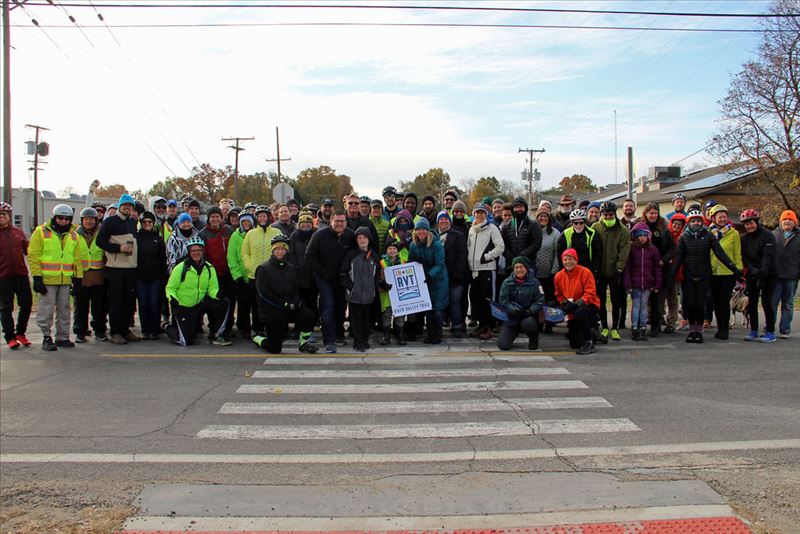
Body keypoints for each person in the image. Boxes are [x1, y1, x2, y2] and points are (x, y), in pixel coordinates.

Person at [671, 209, 740, 343]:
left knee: (700, 304)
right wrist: (672, 273)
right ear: (689, 223)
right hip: (689, 276)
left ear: (702, 222)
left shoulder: (709, 236)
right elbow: (679, 257)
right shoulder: (684, 237)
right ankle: (692, 330)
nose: (696, 223)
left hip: (704, 276)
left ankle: (699, 330)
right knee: (690, 304)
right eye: (693, 221)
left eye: (698, 221)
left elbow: (720, 253)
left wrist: (733, 267)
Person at [28, 204, 84, 351]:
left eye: (67, 219)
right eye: (60, 218)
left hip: (65, 279)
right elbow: (33, 255)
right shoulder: (41, 232)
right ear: (54, 217)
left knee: (64, 309)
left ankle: (62, 337)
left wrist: (78, 278)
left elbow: (77, 258)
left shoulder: (73, 235)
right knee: (46, 309)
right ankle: (46, 336)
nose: (63, 221)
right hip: (47, 280)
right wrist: (36, 277)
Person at [252, 235, 318, 354]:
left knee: (308, 315)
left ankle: (304, 343)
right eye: (277, 249)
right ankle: (257, 338)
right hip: (272, 311)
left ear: (286, 250)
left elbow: (296, 289)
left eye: (283, 249)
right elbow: (263, 293)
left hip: (289, 308)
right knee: (275, 349)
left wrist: (295, 302)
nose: (280, 252)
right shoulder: (263, 268)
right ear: (272, 251)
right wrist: (284, 304)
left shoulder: (291, 268)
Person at [164, 237, 231, 346]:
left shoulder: (209, 268)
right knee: (185, 341)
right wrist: (172, 298)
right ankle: (166, 326)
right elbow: (170, 288)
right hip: (184, 307)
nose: (196, 253)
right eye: (193, 251)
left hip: (200, 303)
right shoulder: (180, 268)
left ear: (203, 251)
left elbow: (212, 289)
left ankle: (217, 334)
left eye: (199, 250)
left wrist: (218, 294)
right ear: (189, 252)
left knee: (224, 302)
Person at [306, 210, 355, 353]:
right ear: (331, 221)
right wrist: (322, 272)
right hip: (324, 278)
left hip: (342, 278)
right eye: (337, 221)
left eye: (342, 221)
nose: (339, 224)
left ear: (346, 223)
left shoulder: (350, 236)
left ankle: (339, 334)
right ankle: (329, 341)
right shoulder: (319, 235)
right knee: (327, 306)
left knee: (341, 307)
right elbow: (309, 256)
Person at [96, 194, 140, 345]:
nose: (127, 208)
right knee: (116, 301)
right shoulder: (110, 221)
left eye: (130, 206)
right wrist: (118, 248)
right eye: (125, 205)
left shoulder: (133, 222)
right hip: (115, 268)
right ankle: (115, 332)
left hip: (131, 268)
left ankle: (125, 330)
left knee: (128, 302)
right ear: (120, 206)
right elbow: (100, 241)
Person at [592, 201, 629, 341]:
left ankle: (615, 328)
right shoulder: (595, 227)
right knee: (600, 300)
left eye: (610, 215)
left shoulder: (623, 230)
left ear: (615, 214)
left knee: (616, 300)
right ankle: (604, 327)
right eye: (605, 215)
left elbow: (624, 250)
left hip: (615, 271)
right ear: (601, 215)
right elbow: (593, 249)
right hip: (600, 271)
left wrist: (619, 267)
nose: (608, 217)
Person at [467, 202, 505, 340]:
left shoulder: (492, 228)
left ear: (486, 214)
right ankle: (481, 325)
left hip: (487, 269)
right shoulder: (471, 230)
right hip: (474, 270)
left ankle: (489, 326)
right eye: (477, 212)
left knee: (487, 299)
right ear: (474, 214)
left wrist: (487, 257)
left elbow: (500, 247)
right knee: (476, 299)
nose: (479, 215)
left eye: (482, 212)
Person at [339, 227, 381, 351]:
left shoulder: (373, 256)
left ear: (369, 239)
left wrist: (376, 287)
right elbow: (344, 272)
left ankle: (365, 340)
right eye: (359, 238)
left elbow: (377, 275)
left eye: (365, 237)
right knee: (355, 320)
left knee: (366, 320)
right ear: (356, 240)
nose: (362, 240)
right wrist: (350, 287)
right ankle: (358, 342)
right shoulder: (351, 254)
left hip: (369, 294)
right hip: (354, 294)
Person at [242, 205, 281, 335]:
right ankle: (257, 328)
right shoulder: (250, 234)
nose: (262, 218)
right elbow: (245, 253)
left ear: (268, 217)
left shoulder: (276, 232)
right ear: (256, 218)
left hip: (272, 274)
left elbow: (282, 251)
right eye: (259, 216)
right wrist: (250, 266)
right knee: (256, 303)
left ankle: (272, 326)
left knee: (272, 301)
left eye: (264, 216)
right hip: (255, 275)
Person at [409, 218, 449, 344]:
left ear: (428, 230)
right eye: (418, 229)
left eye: (423, 229)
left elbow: (440, 263)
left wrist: (430, 275)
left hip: (438, 280)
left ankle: (437, 334)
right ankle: (430, 333)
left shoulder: (436, 244)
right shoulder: (413, 245)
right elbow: (411, 262)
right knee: (428, 309)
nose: (421, 232)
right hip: (423, 280)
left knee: (437, 309)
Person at [740, 209, 778, 343]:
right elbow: (744, 256)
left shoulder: (768, 236)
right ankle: (753, 330)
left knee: (767, 302)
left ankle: (770, 331)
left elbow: (768, 258)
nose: (749, 226)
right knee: (752, 302)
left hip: (769, 273)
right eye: (746, 224)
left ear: (756, 222)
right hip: (752, 273)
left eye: (751, 223)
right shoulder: (744, 238)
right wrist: (752, 270)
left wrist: (762, 275)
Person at [555, 248, 601, 355]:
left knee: (580, 312)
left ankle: (590, 342)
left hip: (589, 304)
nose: (568, 262)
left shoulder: (585, 272)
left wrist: (577, 303)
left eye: (571, 259)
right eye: (565, 259)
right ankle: (593, 333)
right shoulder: (558, 276)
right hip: (572, 308)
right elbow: (559, 295)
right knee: (575, 343)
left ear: (576, 260)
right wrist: (564, 304)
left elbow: (590, 293)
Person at [0, 202, 33, 350]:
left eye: (4, 215)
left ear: (9, 217)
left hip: (21, 274)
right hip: (3, 276)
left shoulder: (18, 232)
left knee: (26, 304)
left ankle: (20, 333)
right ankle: (10, 337)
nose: (1, 217)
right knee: (6, 307)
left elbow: (29, 251)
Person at [707, 204, 743, 340]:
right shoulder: (708, 232)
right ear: (713, 218)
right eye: (719, 217)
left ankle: (724, 328)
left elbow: (737, 252)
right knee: (715, 302)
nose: (722, 219)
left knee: (724, 301)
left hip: (728, 273)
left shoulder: (733, 233)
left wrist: (738, 268)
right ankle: (719, 327)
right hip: (713, 272)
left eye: (724, 217)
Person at [73, 207, 108, 343]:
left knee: (99, 306)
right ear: (82, 221)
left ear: (96, 220)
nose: (89, 222)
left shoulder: (102, 232)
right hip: (81, 275)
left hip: (99, 274)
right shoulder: (75, 234)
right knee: (80, 306)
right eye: (86, 219)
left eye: (91, 219)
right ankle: (80, 331)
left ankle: (99, 330)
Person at [639, 202, 674, 337]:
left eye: (655, 213)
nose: (653, 215)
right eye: (650, 213)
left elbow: (672, 247)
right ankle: (642, 325)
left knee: (657, 298)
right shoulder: (641, 226)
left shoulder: (664, 227)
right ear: (646, 214)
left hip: (660, 267)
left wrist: (663, 260)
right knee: (644, 300)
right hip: (645, 267)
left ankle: (656, 325)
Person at [623, 223, 662, 341]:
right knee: (636, 306)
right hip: (634, 284)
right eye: (639, 235)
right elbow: (627, 268)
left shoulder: (653, 249)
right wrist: (627, 284)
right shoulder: (631, 249)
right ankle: (635, 327)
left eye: (644, 235)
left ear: (648, 236)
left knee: (644, 306)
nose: (642, 237)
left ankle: (643, 327)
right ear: (635, 236)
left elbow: (657, 268)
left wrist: (657, 284)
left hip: (647, 283)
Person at [200, 206, 234, 339]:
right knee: (213, 302)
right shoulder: (203, 234)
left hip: (227, 272)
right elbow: (202, 255)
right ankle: (213, 327)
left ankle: (228, 326)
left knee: (229, 301)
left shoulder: (228, 231)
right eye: (212, 216)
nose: (215, 219)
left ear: (221, 218)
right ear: (209, 218)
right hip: (212, 274)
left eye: (217, 216)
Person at [497, 256, 545, 351]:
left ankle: (533, 337)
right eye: (516, 267)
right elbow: (503, 301)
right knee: (503, 345)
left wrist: (530, 311)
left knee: (529, 324)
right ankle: (514, 332)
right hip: (512, 316)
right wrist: (512, 310)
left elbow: (540, 301)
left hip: (527, 316)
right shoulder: (507, 282)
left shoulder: (535, 283)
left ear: (526, 268)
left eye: (521, 267)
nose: (519, 269)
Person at [135, 211, 167, 340]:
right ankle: (145, 330)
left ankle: (154, 329)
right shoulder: (136, 238)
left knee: (155, 303)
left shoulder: (158, 239)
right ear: (141, 223)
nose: (147, 224)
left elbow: (162, 259)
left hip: (155, 278)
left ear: (153, 223)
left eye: (149, 222)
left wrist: (163, 277)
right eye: (144, 222)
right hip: (140, 277)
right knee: (143, 304)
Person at [437, 211, 468, 337]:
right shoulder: (433, 236)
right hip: (439, 277)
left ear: (450, 221)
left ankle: (457, 326)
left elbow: (462, 257)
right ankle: (437, 327)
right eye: (441, 220)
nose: (443, 221)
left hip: (455, 276)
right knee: (440, 303)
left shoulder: (458, 235)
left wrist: (457, 275)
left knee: (455, 302)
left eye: (446, 219)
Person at [773, 210, 800, 339]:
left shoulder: (799, 236)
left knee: (788, 304)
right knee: (772, 303)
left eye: (790, 220)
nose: (787, 222)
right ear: (780, 221)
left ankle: (785, 330)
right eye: (785, 219)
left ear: (795, 222)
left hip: (792, 275)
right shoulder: (773, 235)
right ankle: (769, 328)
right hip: (776, 275)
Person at [228, 211, 255, 338]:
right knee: (243, 303)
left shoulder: (255, 234)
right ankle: (243, 326)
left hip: (254, 275)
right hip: (241, 276)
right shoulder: (235, 236)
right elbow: (231, 257)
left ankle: (256, 326)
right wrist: (237, 275)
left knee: (255, 303)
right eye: (243, 221)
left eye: (248, 221)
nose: (246, 224)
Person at [534, 208, 561, 332]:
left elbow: (557, 253)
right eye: (540, 216)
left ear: (549, 218)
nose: (543, 218)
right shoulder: (533, 231)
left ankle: (549, 322)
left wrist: (554, 270)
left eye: (545, 216)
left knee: (550, 299)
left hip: (550, 272)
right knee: (538, 299)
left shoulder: (555, 233)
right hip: (535, 272)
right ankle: (538, 323)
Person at [289, 211, 318, 321]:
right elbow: (291, 254)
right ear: (299, 225)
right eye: (303, 225)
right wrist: (295, 268)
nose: (305, 227)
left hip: (313, 275)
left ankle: (313, 320)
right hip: (299, 274)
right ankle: (299, 323)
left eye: (308, 225)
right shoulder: (294, 236)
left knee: (313, 300)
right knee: (300, 300)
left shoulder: (316, 235)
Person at [557, 209, 602, 277]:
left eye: (581, 223)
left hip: (588, 269)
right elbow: (560, 253)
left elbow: (597, 254)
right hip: (571, 269)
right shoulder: (565, 234)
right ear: (572, 223)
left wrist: (595, 271)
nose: (578, 225)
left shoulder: (592, 234)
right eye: (575, 223)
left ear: (584, 222)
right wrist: (563, 269)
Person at [502, 197, 543, 271]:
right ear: (512, 209)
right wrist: (511, 257)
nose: (518, 209)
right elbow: (503, 245)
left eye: (521, 207)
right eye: (516, 207)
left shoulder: (533, 225)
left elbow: (536, 244)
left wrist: (522, 255)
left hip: (528, 264)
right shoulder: (506, 227)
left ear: (525, 208)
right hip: (511, 264)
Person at [379, 238, 407, 345]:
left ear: (397, 250)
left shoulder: (403, 262)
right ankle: (386, 336)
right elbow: (377, 276)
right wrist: (381, 283)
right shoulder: (381, 262)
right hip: (386, 294)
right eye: (389, 248)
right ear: (386, 250)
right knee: (387, 315)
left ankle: (400, 336)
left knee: (400, 315)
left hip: (400, 295)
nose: (392, 251)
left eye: (394, 248)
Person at [665, 213, 687, 332]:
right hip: (666, 271)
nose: (677, 226)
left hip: (678, 272)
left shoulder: (684, 237)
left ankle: (672, 322)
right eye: (675, 223)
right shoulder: (667, 235)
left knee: (673, 299)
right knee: (662, 298)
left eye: (680, 224)